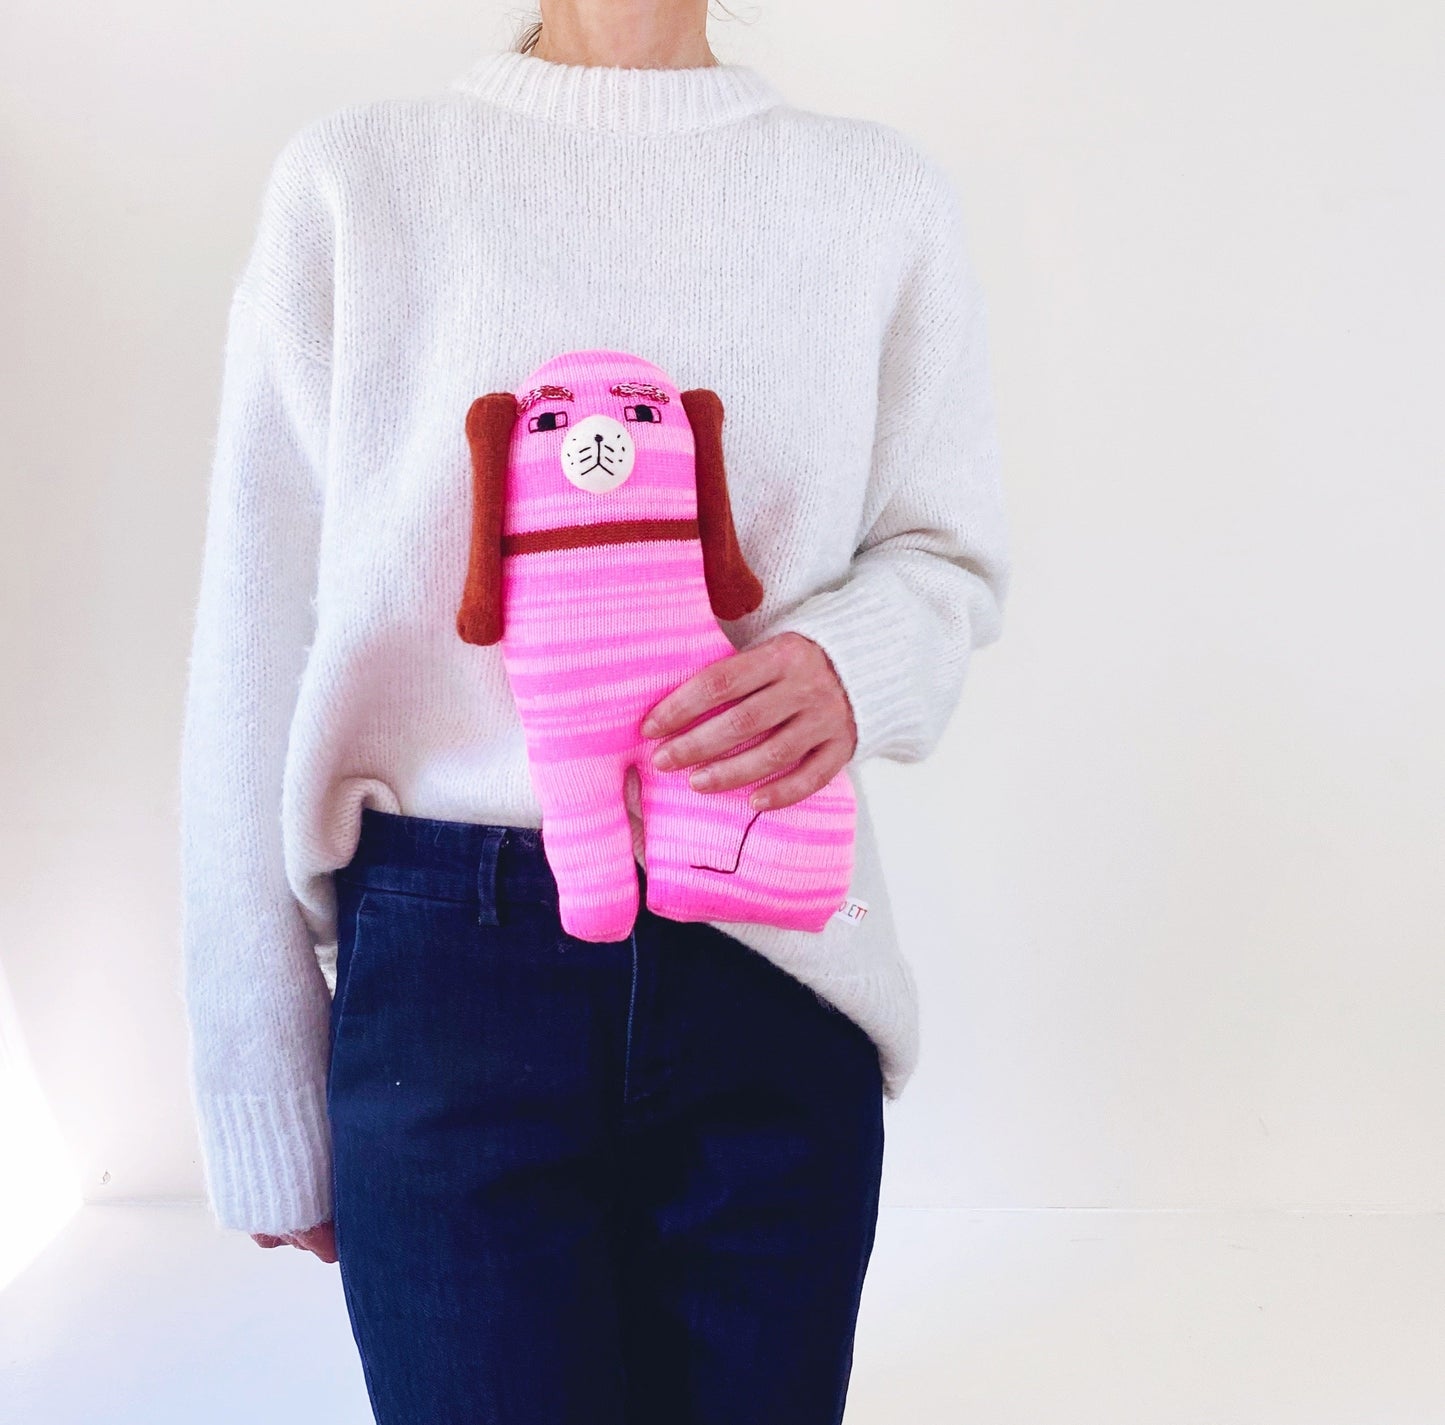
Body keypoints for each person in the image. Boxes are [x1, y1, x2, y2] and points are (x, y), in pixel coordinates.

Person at [177, 2, 1010, 1420]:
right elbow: (252, 634)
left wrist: (846, 661)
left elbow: (945, 558)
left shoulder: (877, 199)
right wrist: (257, 1075)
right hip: (443, 978)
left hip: (771, 967)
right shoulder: (358, 181)